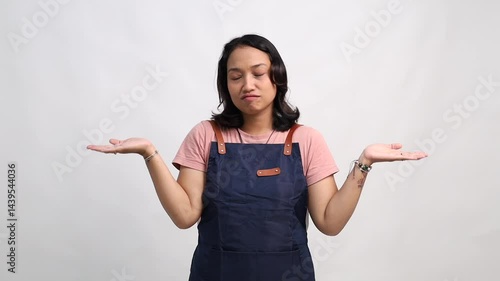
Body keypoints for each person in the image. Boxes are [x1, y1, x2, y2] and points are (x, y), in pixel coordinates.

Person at [87, 34, 427, 281]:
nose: (247, 84)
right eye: (235, 76)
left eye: (258, 73)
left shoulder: (305, 139)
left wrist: (364, 162)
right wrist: (150, 154)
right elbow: (184, 215)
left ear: (277, 78)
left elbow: (329, 221)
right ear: (226, 86)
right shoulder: (206, 135)